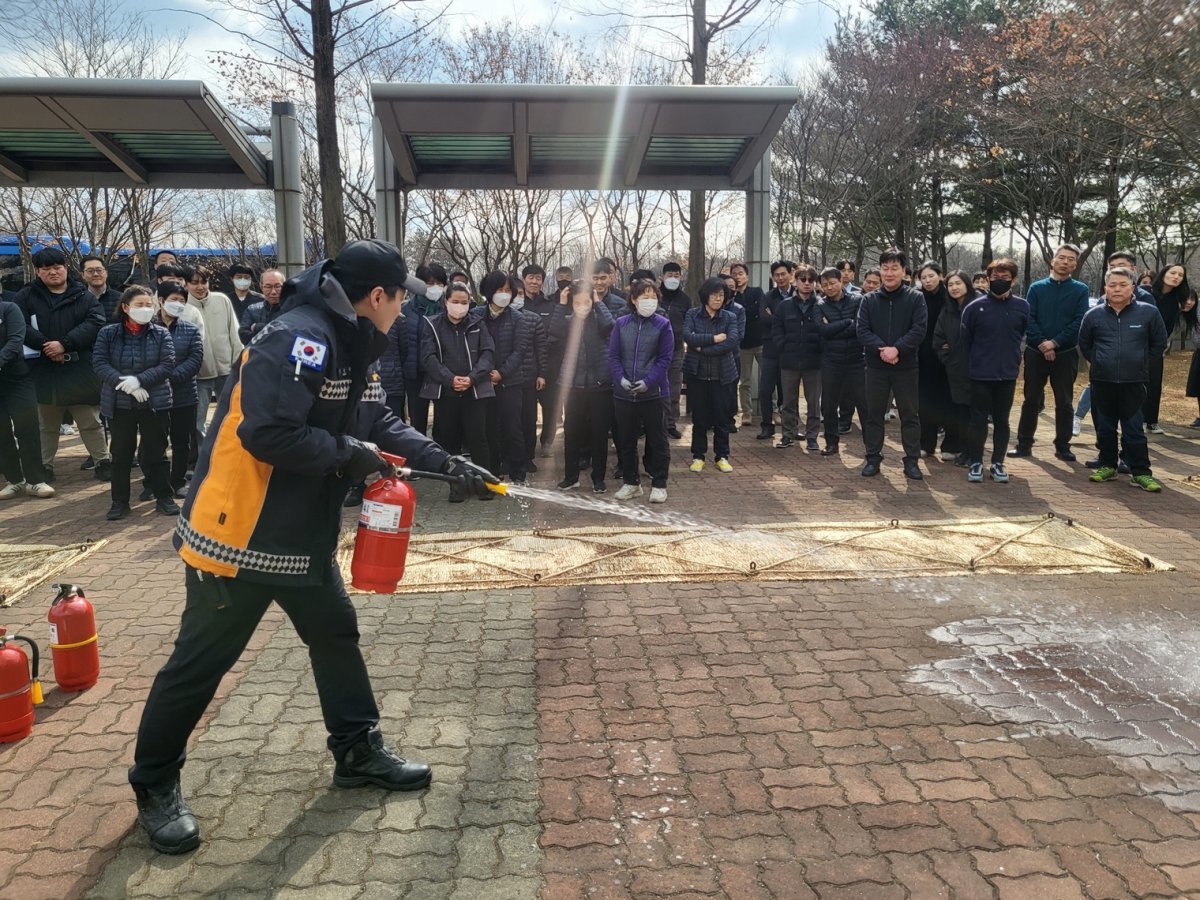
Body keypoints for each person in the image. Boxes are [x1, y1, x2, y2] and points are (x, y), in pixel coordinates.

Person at [129, 240, 497, 855]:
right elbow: (267, 433)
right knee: (199, 665)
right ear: (377, 296)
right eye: (401, 297)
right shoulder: (300, 336)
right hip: (241, 534)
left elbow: (376, 422)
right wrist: (350, 458)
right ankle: (154, 783)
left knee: (335, 634)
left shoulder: (353, 340)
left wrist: (446, 460)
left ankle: (356, 751)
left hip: (299, 535)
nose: (405, 309)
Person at [15, 247, 111, 483]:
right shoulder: (26, 296)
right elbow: (19, 326)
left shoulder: (83, 295)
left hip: (79, 369)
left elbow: (95, 322)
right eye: (46, 269)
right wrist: (47, 345)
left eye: (57, 267)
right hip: (43, 370)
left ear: (66, 268)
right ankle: (43, 467)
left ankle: (103, 462)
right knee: (46, 424)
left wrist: (65, 344)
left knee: (90, 421)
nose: (53, 272)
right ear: (38, 272)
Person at [1078, 266, 1168, 492]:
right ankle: (1108, 465)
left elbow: (1159, 344)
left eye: (1123, 285)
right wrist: (1099, 362)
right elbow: (1085, 345)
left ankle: (1140, 472)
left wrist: (1141, 363)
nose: (1117, 289)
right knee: (1106, 428)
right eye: (1112, 285)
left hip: (1134, 382)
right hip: (1102, 381)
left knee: (1134, 429)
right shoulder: (1093, 314)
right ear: (1105, 288)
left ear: (1133, 288)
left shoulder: (1148, 313)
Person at [92, 286, 179, 520]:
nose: (145, 309)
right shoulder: (108, 333)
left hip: (154, 402)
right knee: (120, 455)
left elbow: (167, 364)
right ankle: (119, 502)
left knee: (156, 453)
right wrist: (125, 383)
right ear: (125, 307)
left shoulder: (160, 333)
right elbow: (100, 363)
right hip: (119, 404)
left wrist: (139, 381)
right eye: (139, 305)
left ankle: (164, 497)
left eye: (149, 305)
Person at [1010, 243, 1089, 462]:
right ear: (1052, 260)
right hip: (1036, 352)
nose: (1066, 262)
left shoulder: (1080, 290)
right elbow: (1029, 318)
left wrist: (1055, 343)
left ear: (1076, 263)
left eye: (1071, 259)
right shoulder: (1036, 288)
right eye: (1062, 257)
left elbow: (1079, 321)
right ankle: (1024, 444)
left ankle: (1063, 445)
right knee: (1031, 400)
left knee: (1064, 401)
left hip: (1066, 353)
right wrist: (1043, 343)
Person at [857, 247, 927, 480]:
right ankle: (873, 459)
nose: (889, 273)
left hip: (906, 366)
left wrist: (897, 349)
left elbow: (919, 329)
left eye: (894, 268)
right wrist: (884, 351)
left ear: (904, 271)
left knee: (910, 415)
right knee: (874, 414)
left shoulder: (915, 298)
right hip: (876, 367)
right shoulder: (868, 300)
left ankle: (911, 461)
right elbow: (862, 331)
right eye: (885, 268)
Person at [420, 282, 495, 490]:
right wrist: (450, 379)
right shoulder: (432, 324)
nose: (459, 306)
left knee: (477, 439)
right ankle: (457, 486)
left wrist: (472, 378)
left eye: (464, 302)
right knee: (449, 441)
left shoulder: (478, 323)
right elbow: (428, 357)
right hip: (446, 393)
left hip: (475, 391)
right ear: (446, 302)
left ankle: (484, 484)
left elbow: (488, 354)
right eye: (455, 301)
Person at [960, 259, 1029, 483]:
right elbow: (965, 341)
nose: (1000, 281)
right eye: (995, 277)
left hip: (1007, 374)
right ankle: (976, 462)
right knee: (977, 421)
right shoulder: (973, 307)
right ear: (988, 279)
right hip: (980, 374)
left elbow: (1022, 336)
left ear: (1014, 280)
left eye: (1005, 277)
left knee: (1002, 420)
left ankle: (998, 462)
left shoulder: (1022, 306)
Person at [609, 279, 673, 503]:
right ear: (634, 300)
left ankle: (659, 484)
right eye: (644, 297)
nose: (649, 301)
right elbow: (614, 356)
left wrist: (649, 382)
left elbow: (665, 359)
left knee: (658, 440)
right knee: (626, 441)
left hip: (654, 393)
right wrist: (621, 380)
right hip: (624, 393)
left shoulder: (663, 325)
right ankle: (631, 482)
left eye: (653, 296)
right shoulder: (621, 323)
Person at [552, 280, 616, 492]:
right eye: (577, 302)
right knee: (572, 432)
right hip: (573, 386)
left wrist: (598, 302)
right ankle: (571, 476)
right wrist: (562, 304)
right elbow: (554, 332)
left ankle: (599, 478)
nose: (582, 306)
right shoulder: (568, 321)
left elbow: (611, 327)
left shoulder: (599, 319)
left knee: (599, 434)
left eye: (586, 301)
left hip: (600, 385)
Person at [472, 271, 530, 485]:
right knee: (488, 429)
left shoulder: (517, 318)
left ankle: (518, 473)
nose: (504, 295)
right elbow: (473, 348)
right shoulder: (476, 315)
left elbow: (519, 350)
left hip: (510, 382)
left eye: (508, 291)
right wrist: (484, 373)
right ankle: (492, 472)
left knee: (512, 428)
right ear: (489, 292)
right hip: (482, 382)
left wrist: (501, 373)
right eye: (500, 290)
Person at [683, 277, 740, 473]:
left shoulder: (729, 317)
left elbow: (731, 342)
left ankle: (722, 455)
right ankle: (698, 456)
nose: (718, 298)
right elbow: (688, 337)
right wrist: (714, 338)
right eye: (714, 294)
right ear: (705, 296)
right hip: (697, 374)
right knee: (699, 418)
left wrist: (702, 348)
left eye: (722, 295)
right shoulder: (692, 314)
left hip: (723, 375)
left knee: (722, 418)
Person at [0, 295, 53, 499]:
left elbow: (15, 341)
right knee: (1, 432)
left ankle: (35, 480)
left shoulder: (8, 308)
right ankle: (14, 480)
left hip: (17, 380)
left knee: (27, 428)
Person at [184, 266, 243, 444]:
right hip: (200, 374)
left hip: (227, 371)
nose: (200, 287)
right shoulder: (183, 307)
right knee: (197, 421)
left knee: (232, 416)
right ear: (186, 284)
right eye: (194, 283)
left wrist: (237, 363)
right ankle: (203, 458)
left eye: (203, 282)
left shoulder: (222, 300)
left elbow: (235, 333)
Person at [156, 284, 204, 499]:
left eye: (182, 301)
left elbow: (195, 360)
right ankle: (154, 483)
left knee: (181, 441)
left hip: (184, 393)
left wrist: (167, 376)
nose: (178, 304)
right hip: (154, 396)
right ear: (161, 300)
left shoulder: (190, 329)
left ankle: (178, 481)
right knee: (154, 442)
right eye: (173, 299)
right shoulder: (147, 327)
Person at [816, 266, 865, 456]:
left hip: (856, 359)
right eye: (825, 284)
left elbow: (860, 328)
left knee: (864, 404)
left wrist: (834, 328)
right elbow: (823, 331)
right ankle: (831, 442)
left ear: (841, 282)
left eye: (833, 283)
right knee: (829, 404)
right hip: (831, 360)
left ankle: (871, 447)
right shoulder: (819, 305)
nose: (829, 287)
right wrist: (847, 323)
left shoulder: (858, 300)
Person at [774, 264, 822, 450]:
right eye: (803, 279)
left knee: (813, 402)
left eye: (811, 280)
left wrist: (820, 348)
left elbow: (826, 329)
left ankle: (812, 437)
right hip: (789, 360)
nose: (807, 283)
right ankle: (788, 434)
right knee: (788, 401)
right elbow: (777, 329)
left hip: (813, 361)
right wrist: (783, 346)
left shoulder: (821, 305)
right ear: (796, 281)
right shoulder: (785, 306)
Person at [932, 270, 975, 466]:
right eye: (950, 285)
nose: (954, 288)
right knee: (961, 412)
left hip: (978, 369)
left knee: (976, 413)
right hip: (955, 370)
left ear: (967, 284)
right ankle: (963, 451)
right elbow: (939, 340)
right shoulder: (947, 311)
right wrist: (948, 358)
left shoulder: (978, 306)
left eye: (958, 283)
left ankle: (974, 453)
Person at [398, 264, 447, 435]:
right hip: (415, 374)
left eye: (440, 283)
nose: (435, 287)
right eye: (430, 283)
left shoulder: (448, 309)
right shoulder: (405, 310)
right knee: (418, 421)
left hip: (442, 374)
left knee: (443, 423)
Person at [1143, 264, 1189, 433]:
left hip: (1156, 346)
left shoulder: (1175, 301)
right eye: (1173, 273)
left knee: (1154, 384)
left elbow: (1168, 328)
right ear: (1163, 274)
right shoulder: (1147, 292)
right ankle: (1136, 419)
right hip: (1136, 342)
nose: (1176, 277)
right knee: (1136, 384)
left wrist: (1160, 344)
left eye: (1180, 275)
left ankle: (1151, 421)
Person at [916, 262, 954, 459]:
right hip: (922, 355)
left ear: (941, 276)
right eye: (923, 277)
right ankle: (926, 443)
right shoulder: (916, 296)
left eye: (931, 276)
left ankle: (950, 445)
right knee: (925, 401)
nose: (927, 281)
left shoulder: (951, 296)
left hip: (947, 354)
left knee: (948, 400)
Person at [522, 264, 560, 456]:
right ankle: (527, 443)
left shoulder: (550, 304)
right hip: (525, 364)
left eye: (538, 278)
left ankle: (547, 442)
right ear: (523, 279)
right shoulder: (517, 303)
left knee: (551, 406)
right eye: (531, 277)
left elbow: (555, 331)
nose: (534, 281)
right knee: (527, 409)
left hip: (549, 364)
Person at [758, 261, 794, 441]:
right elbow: (764, 318)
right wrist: (789, 321)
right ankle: (767, 425)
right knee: (765, 389)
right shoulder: (768, 296)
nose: (780, 278)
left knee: (789, 391)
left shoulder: (799, 293)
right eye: (776, 275)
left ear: (790, 274)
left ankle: (791, 427)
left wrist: (776, 318)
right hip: (771, 349)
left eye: (783, 274)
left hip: (792, 350)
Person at [730, 261, 766, 426]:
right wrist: (748, 310)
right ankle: (746, 412)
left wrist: (745, 310)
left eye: (741, 273)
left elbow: (758, 311)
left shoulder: (756, 291)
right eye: (735, 274)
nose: (738, 276)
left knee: (768, 377)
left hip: (761, 341)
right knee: (744, 381)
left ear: (747, 276)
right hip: (742, 344)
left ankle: (772, 410)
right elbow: (734, 315)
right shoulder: (731, 296)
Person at [660, 262, 691, 440]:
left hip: (677, 349)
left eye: (676, 275)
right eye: (669, 275)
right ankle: (653, 424)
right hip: (655, 350)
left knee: (674, 389)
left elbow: (687, 324)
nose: (673, 278)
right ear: (662, 277)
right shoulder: (654, 296)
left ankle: (671, 424)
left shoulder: (685, 300)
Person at [237, 269, 286, 345]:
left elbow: (288, 334)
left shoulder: (291, 309)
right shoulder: (252, 310)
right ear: (261, 286)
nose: (273, 292)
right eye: (268, 287)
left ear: (284, 286)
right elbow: (243, 336)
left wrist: (258, 327)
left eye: (277, 286)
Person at [81, 256, 122, 322]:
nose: (96, 274)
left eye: (99, 270)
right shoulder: (77, 299)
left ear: (106, 273)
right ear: (82, 275)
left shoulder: (122, 299)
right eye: (90, 271)